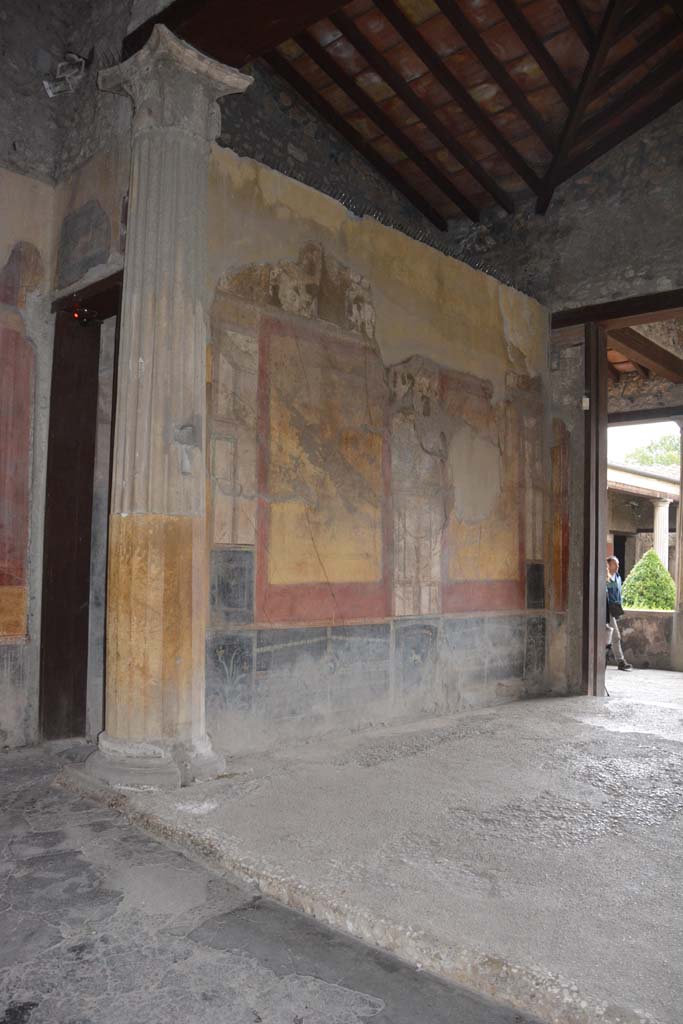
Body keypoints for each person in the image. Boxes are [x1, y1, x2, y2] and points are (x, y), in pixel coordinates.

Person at [606, 556, 632, 671]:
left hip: (612, 611)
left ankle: (619, 660)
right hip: (604, 610)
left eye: (618, 564)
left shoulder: (618, 577)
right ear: (609, 565)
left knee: (613, 636)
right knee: (615, 636)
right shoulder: (604, 577)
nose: (618, 566)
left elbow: (618, 594)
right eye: (615, 564)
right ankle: (620, 661)